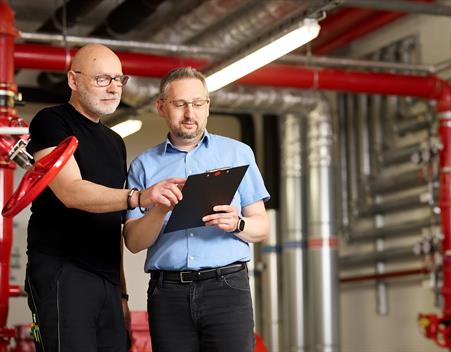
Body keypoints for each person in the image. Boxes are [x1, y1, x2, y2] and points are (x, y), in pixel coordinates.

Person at [25, 44, 182, 352]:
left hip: (106, 280)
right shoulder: (52, 122)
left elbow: (113, 224)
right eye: (102, 79)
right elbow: (71, 191)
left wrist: (122, 294)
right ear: (73, 80)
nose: (113, 88)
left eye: (118, 79)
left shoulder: (114, 142)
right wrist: (139, 197)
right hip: (63, 270)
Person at [123, 67, 270, 352]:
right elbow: (133, 242)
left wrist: (237, 224)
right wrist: (158, 208)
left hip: (227, 288)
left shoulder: (239, 154)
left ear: (207, 107)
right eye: (180, 104)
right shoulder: (144, 165)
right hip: (168, 294)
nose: (190, 113)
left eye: (198, 103)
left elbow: (262, 226)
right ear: (162, 107)